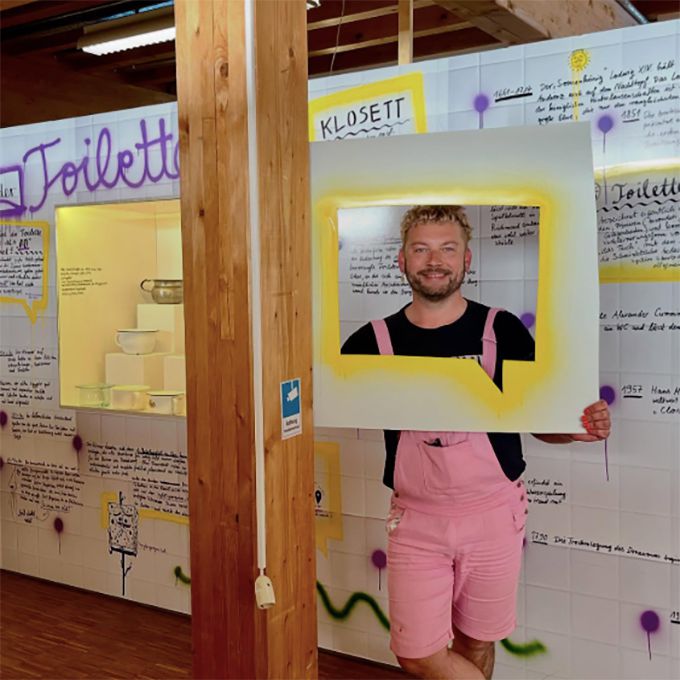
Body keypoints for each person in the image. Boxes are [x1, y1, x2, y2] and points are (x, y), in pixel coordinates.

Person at [341, 205, 611, 680]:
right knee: (417, 654)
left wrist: (572, 429)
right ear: (401, 260)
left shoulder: (503, 331)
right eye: (421, 249)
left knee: (476, 641)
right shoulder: (369, 343)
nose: (434, 261)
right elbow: (335, 404)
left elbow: (537, 421)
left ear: (467, 260)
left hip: (494, 514)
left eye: (448, 249)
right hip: (417, 520)